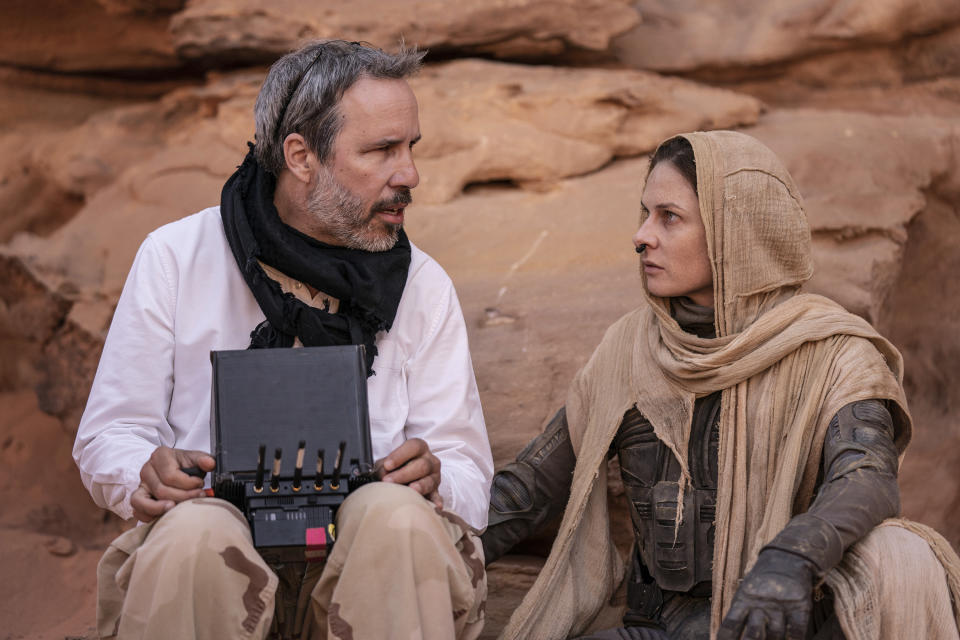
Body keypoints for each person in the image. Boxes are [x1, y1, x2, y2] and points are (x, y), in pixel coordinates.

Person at [73, 40, 493, 640]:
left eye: (410, 148)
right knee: (197, 531)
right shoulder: (176, 258)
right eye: (381, 151)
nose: (410, 175)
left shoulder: (421, 285)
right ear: (301, 155)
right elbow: (108, 434)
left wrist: (435, 478)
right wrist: (146, 470)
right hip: (213, 570)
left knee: (392, 518)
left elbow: (469, 471)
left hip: (372, 572)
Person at [481, 131, 960, 640]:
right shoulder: (628, 351)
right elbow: (529, 490)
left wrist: (791, 559)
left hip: (777, 624)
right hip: (659, 629)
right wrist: (430, 539)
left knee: (902, 557)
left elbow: (867, 479)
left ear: (736, 229)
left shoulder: (833, 353)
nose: (642, 235)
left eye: (669, 217)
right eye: (644, 214)